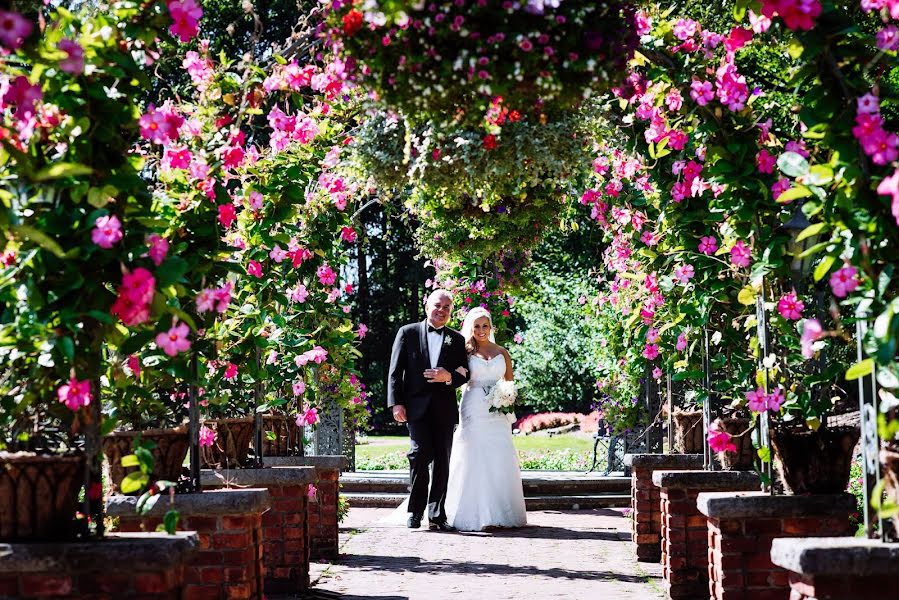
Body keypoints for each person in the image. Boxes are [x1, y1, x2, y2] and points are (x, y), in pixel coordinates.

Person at [387, 289, 470, 531]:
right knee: (419, 455)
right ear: (427, 306)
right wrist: (396, 403)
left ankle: (437, 515)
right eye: (437, 305)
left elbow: (465, 373)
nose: (441, 310)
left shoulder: (456, 340)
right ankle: (415, 512)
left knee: (442, 462)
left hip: (444, 410)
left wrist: (448, 377)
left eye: (447, 307)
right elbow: (395, 372)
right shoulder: (408, 332)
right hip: (416, 409)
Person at [444, 307, 527, 531]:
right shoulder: (465, 352)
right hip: (473, 407)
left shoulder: (502, 352)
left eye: (485, 325)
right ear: (471, 328)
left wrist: (506, 397)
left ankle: (501, 512)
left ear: (491, 327)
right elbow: (456, 379)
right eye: (477, 326)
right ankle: (474, 513)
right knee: (474, 453)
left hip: (498, 410)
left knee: (499, 454)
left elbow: (509, 382)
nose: (481, 330)